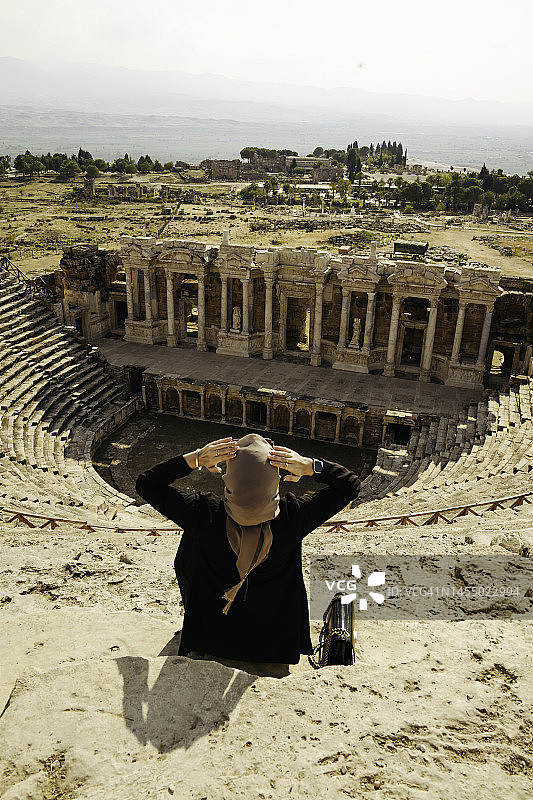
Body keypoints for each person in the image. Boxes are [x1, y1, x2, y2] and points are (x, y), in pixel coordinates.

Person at [135, 433, 360, 676]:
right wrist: (311, 467)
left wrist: (196, 458)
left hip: (211, 636)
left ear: (227, 480)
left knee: (191, 540)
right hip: (274, 646)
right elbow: (350, 486)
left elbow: (147, 483)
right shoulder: (294, 517)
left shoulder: (203, 513)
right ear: (276, 482)